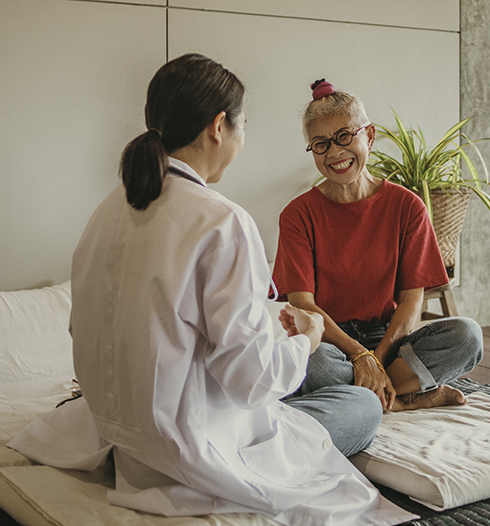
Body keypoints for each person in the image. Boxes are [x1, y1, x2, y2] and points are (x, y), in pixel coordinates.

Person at [68, 55, 414, 525]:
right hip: (188, 447)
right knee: (361, 407)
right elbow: (248, 379)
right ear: (218, 126)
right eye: (243, 125)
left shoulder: (109, 209)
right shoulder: (221, 220)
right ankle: (388, 388)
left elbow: (104, 326)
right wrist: (305, 341)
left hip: (116, 432)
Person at [273, 79, 483, 412]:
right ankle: (403, 399)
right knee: (308, 361)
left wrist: (375, 358)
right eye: (320, 144)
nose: (335, 152)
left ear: (368, 136)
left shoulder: (408, 206)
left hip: (391, 340)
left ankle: (369, 395)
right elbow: (304, 305)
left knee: (468, 336)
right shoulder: (297, 215)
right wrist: (356, 354)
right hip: (331, 341)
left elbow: (412, 299)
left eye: (344, 137)